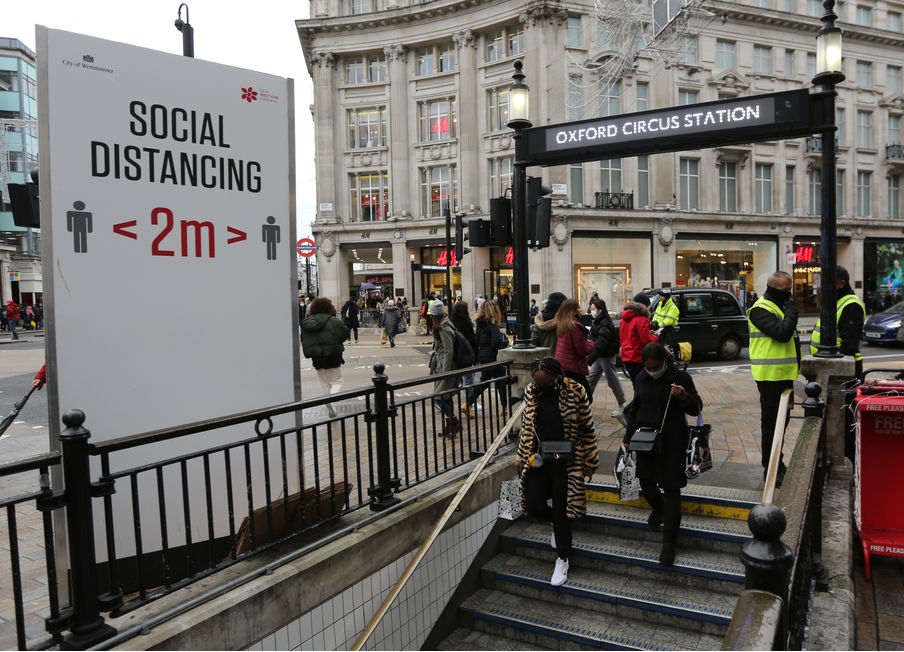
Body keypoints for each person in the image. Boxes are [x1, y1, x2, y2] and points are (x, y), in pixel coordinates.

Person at [514, 357, 599, 586]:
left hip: (567, 462)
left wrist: (590, 461)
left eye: (545, 382)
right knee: (532, 504)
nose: (540, 386)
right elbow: (527, 428)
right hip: (540, 459)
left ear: (556, 376)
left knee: (563, 509)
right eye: (537, 382)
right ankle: (557, 525)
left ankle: (562, 557)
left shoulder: (576, 391)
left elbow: (587, 428)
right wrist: (521, 456)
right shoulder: (532, 392)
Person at [623, 342, 702, 566]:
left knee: (672, 489)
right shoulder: (641, 377)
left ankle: (669, 544)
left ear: (664, 362)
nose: (652, 371)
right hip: (646, 441)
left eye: (655, 367)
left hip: (672, 442)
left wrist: (685, 397)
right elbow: (634, 408)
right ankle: (658, 509)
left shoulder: (680, 378)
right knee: (646, 483)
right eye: (648, 367)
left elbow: (696, 408)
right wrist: (628, 438)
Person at [747, 271, 800, 486]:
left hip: (784, 376)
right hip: (769, 378)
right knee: (771, 425)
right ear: (773, 289)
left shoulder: (779, 305)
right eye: (785, 291)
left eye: (790, 290)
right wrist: (792, 312)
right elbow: (782, 333)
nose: (789, 295)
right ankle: (770, 468)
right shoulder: (759, 309)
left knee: (783, 423)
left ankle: (778, 462)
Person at [809, 266, 866, 378]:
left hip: (840, 369)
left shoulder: (852, 305)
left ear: (841, 284)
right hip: (828, 365)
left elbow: (849, 345)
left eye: (827, 284)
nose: (823, 288)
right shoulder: (836, 302)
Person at [300, 297, 350, 418]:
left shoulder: (307, 323)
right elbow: (345, 333)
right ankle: (330, 401)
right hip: (332, 354)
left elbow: (304, 339)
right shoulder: (333, 321)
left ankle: (330, 405)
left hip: (316, 357)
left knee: (325, 384)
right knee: (337, 381)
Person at [586, 298, 626, 423]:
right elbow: (594, 337)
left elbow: (601, 343)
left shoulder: (605, 323)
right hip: (599, 355)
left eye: (593, 309)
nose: (592, 311)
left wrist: (589, 358)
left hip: (606, 356)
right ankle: (585, 404)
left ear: (600, 310)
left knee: (612, 380)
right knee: (591, 379)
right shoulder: (597, 321)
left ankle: (621, 405)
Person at [429, 299, 460, 437]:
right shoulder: (444, 325)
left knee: (437, 397)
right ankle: (450, 427)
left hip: (445, 367)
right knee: (446, 397)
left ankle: (454, 422)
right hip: (441, 365)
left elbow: (449, 351)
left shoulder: (444, 328)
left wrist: (445, 372)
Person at [472, 299, 509, 410]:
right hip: (492, 356)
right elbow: (496, 342)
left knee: (486, 381)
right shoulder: (492, 324)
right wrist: (503, 344)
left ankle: (468, 403)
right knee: (500, 380)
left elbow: (476, 340)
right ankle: (504, 407)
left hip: (483, 355)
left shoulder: (480, 323)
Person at [553, 299, 594, 399]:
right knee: (586, 397)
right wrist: (592, 344)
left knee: (571, 397)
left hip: (563, 365)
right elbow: (582, 350)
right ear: (573, 311)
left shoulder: (563, 324)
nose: (581, 310)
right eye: (578, 308)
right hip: (573, 367)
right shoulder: (575, 326)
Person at [619, 293, 658, 384]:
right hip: (638, 357)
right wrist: (655, 337)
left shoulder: (623, 319)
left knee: (636, 383)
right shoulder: (641, 319)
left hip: (626, 356)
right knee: (645, 385)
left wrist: (649, 334)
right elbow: (647, 342)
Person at [452, 301, 478, 415]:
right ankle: (468, 404)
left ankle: (469, 403)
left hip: (462, 355)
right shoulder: (464, 323)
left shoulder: (455, 321)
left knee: (467, 379)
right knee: (469, 380)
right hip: (467, 355)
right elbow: (471, 340)